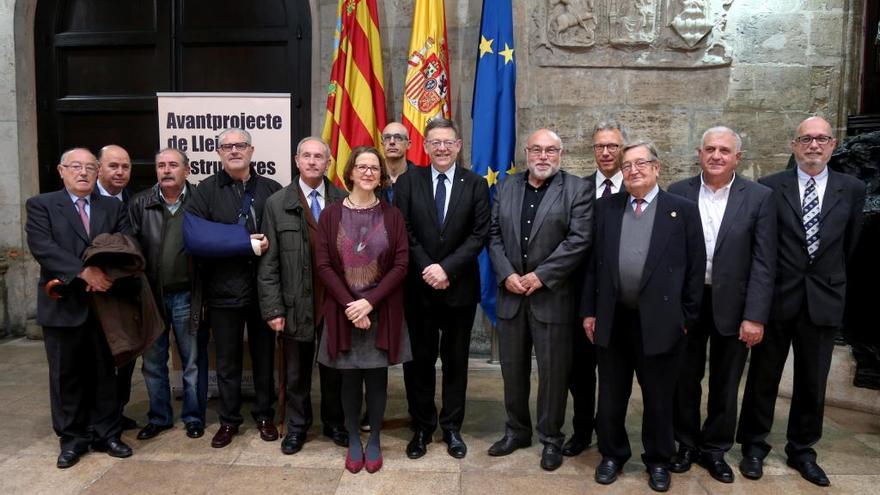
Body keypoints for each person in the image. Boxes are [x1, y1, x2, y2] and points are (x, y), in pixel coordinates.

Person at [737, 116, 866, 487]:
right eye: (806, 139)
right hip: (777, 298)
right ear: (793, 145)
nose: (814, 146)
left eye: (821, 139)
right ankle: (754, 446)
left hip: (823, 298)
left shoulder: (851, 188)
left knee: (813, 380)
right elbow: (761, 246)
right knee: (763, 377)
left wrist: (831, 282)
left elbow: (850, 244)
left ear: (832, 145)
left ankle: (802, 450)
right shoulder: (769, 187)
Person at [581, 141, 705, 492]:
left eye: (641, 163)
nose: (633, 170)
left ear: (656, 168)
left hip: (661, 321)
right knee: (611, 394)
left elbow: (695, 270)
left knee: (659, 396)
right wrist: (589, 312)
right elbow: (593, 264)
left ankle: (658, 460)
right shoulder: (606, 207)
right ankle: (612, 455)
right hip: (613, 317)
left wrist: (686, 318)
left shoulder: (681, 210)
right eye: (627, 165)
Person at [667, 127, 776, 483]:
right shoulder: (678, 192)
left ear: (737, 158)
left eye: (724, 150)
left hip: (735, 304)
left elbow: (764, 262)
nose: (716, 155)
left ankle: (715, 449)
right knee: (684, 379)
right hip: (689, 301)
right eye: (710, 149)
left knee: (726, 383)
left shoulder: (759, 197)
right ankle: (684, 444)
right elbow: (667, 256)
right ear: (699, 153)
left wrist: (755, 316)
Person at [487, 128, 593, 471]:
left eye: (550, 150)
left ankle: (550, 437)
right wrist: (507, 274)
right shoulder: (505, 186)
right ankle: (517, 431)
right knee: (512, 370)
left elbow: (578, 241)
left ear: (560, 154)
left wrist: (540, 276)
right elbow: (493, 236)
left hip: (553, 297)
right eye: (536, 150)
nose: (543, 156)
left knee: (553, 374)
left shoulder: (577, 189)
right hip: (512, 294)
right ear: (526, 153)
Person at [25, 148, 133, 468]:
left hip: (104, 305)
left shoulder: (112, 206)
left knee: (105, 373)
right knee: (65, 375)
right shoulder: (42, 205)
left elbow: (125, 242)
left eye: (89, 167)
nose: (83, 172)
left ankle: (107, 433)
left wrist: (105, 272)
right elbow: (43, 247)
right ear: (62, 170)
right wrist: (83, 271)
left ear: (97, 172)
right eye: (76, 167)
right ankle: (72, 438)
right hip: (62, 304)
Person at [394, 118, 490, 460]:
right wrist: (429, 268)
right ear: (425, 145)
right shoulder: (408, 181)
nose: (442, 148)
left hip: (459, 290)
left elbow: (479, 235)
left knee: (455, 363)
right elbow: (402, 229)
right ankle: (421, 427)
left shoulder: (476, 184)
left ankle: (451, 428)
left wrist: (446, 268)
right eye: (435, 142)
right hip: (419, 290)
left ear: (459, 145)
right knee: (418, 363)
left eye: (448, 142)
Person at [314, 146, 411, 474]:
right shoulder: (330, 215)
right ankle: (354, 438)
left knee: (377, 378)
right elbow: (324, 265)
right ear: (350, 172)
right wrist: (352, 306)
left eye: (374, 168)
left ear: (381, 175)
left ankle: (375, 440)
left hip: (381, 310)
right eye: (362, 167)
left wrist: (370, 302)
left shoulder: (392, 215)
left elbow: (401, 264)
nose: (368, 172)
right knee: (349, 380)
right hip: (343, 310)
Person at [185, 127, 282, 448]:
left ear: (251, 151)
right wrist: (244, 243)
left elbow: (284, 238)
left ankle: (265, 415)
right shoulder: (205, 191)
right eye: (227, 147)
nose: (234, 151)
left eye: (240, 145)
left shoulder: (271, 189)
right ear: (219, 153)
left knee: (265, 358)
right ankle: (228, 421)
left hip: (264, 291)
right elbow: (195, 239)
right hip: (224, 292)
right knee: (226, 362)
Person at [257, 137, 348, 454]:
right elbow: (268, 264)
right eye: (306, 156)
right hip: (294, 304)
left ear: (328, 162)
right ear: (296, 161)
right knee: (295, 373)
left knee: (335, 370)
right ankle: (297, 428)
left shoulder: (343, 200)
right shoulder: (277, 203)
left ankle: (335, 424)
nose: (312, 162)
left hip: (333, 304)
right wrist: (272, 309)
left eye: (318, 157)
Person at [128, 147, 207, 441]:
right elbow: (130, 247)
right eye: (161, 165)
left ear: (187, 170)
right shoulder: (140, 203)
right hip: (150, 297)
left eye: (173, 164)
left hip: (188, 294)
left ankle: (193, 417)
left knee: (192, 361)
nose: (166, 170)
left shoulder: (200, 200)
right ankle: (159, 417)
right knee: (152, 363)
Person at [565, 120, 628, 458]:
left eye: (613, 146)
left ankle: (610, 432)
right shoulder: (578, 189)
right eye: (600, 146)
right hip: (582, 297)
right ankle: (580, 430)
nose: (605, 152)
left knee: (615, 375)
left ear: (623, 149)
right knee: (581, 372)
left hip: (624, 301)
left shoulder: (637, 187)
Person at [95, 144, 138, 430]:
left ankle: (116, 414)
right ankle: (95, 419)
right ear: (98, 167)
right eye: (113, 166)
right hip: (89, 293)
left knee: (125, 358)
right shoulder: (81, 200)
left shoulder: (135, 201)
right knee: (95, 362)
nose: (120, 172)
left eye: (125, 166)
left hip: (123, 294)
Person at [379, 121, 416, 204]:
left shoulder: (420, 179)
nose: (392, 142)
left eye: (398, 137)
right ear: (382, 144)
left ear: (408, 144)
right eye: (387, 137)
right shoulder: (373, 177)